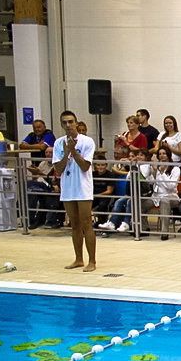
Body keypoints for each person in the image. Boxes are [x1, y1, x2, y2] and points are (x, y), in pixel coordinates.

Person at [51, 110, 98, 271]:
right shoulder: (58, 143)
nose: (68, 125)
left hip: (83, 188)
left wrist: (73, 151)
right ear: (61, 124)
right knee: (74, 224)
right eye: (64, 122)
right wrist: (66, 152)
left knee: (86, 223)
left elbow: (85, 166)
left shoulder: (87, 141)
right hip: (68, 189)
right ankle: (78, 259)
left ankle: (92, 261)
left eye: (71, 122)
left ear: (76, 123)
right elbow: (58, 169)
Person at [149, 146, 181, 240]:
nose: (162, 156)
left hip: (171, 196)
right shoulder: (156, 168)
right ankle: (143, 228)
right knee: (141, 202)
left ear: (168, 155)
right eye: (160, 154)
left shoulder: (175, 169)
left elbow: (171, 186)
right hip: (156, 196)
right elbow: (151, 182)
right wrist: (154, 171)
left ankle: (164, 232)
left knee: (164, 201)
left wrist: (162, 172)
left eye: (164, 153)